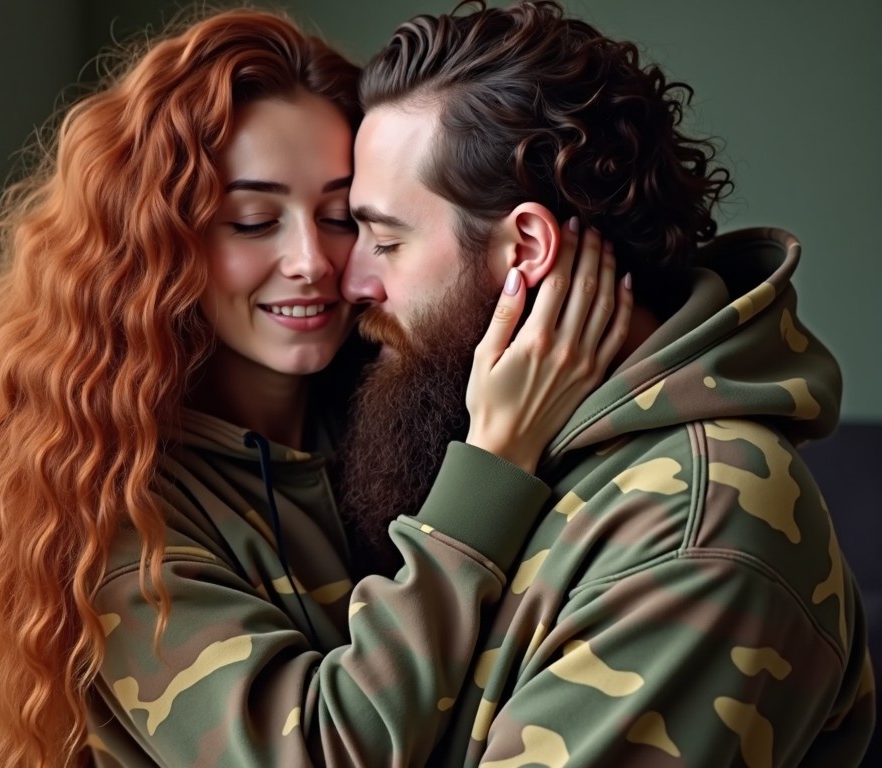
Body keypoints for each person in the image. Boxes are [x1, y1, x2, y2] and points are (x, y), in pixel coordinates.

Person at [0, 7, 632, 768]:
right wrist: (493, 467)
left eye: (344, 217)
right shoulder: (113, 506)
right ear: (159, 252)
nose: (313, 261)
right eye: (253, 221)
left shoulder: (392, 402)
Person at [338, 1, 876, 765]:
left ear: (526, 246)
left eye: (386, 239)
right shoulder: (511, 450)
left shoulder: (699, 531)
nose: (352, 280)